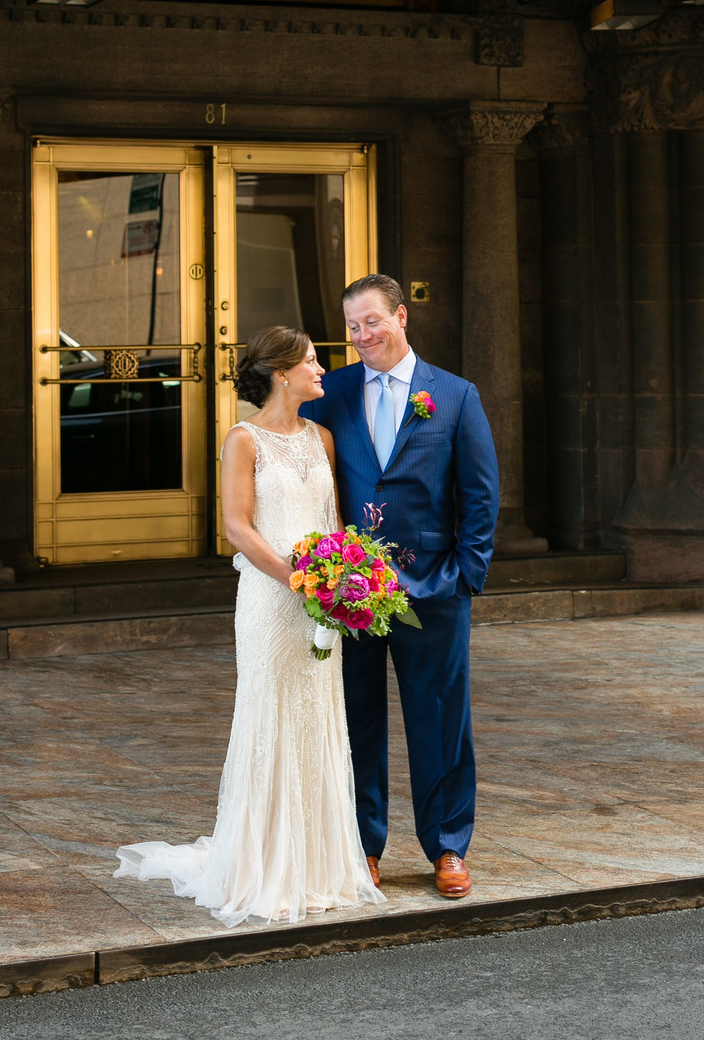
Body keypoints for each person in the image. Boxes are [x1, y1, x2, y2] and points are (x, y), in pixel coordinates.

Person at [114, 325, 384, 927]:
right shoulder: (243, 440)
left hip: (320, 604)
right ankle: (265, 868)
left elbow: (333, 521)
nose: (322, 369)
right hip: (271, 601)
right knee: (271, 718)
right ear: (282, 373)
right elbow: (237, 526)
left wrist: (347, 581)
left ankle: (314, 869)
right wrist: (300, 581)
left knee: (317, 718)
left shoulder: (323, 438)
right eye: (313, 362)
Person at [302, 274, 499, 899]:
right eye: (353, 327)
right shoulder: (330, 392)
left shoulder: (456, 397)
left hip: (435, 591)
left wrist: (464, 578)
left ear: (401, 317)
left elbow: (480, 495)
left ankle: (448, 848)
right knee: (356, 719)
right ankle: (364, 845)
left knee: (441, 720)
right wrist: (325, 572)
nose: (362, 337)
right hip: (352, 592)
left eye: (372, 323)